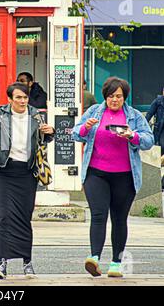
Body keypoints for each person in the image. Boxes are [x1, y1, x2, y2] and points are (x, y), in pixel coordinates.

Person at [0, 82, 54, 279]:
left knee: (24, 217)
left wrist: (50, 133)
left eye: (25, 97)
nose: (22, 101)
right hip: (5, 169)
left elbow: (43, 140)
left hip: (27, 172)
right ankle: (2, 264)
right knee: (4, 216)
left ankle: (27, 263)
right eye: (18, 98)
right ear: (10, 99)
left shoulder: (35, 115)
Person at [72, 77, 154, 278]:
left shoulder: (134, 116)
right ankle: (94, 258)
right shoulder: (94, 112)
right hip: (96, 173)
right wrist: (86, 128)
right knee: (98, 215)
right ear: (105, 97)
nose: (114, 100)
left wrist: (132, 136)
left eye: (118, 96)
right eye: (110, 96)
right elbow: (76, 133)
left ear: (124, 97)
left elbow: (148, 140)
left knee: (119, 219)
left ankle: (116, 263)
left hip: (125, 176)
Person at [145, 88, 164, 155]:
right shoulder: (158, 101)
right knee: (161, 145)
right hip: (160, 128)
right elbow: (149, 113)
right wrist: (144, 125)